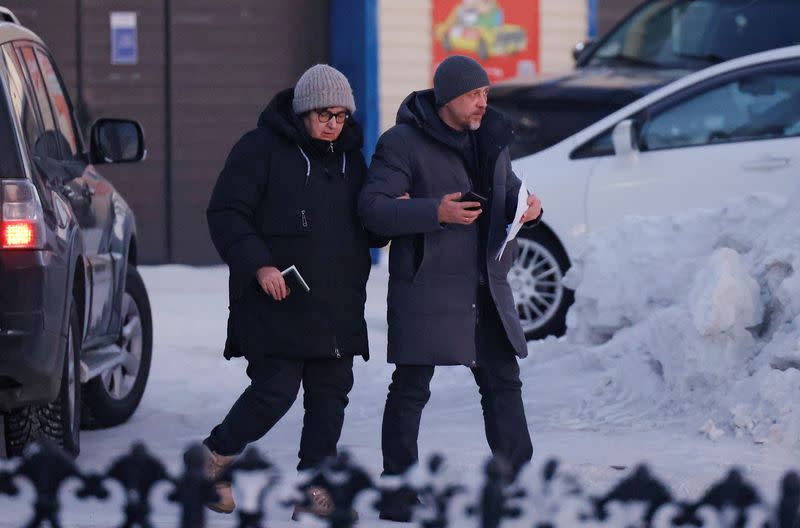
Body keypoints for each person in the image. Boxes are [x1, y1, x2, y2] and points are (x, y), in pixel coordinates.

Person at [359, 55, 542, 521]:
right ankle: (397, 492)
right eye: (474, 95)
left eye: (485, 93)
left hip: (485, 284)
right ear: (447, 98)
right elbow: (373, 209)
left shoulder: (492, 138)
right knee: (411, 387)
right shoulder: (401, 143)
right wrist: (433, 212)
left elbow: (510, 191)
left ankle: (515, 482)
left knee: (502, 382)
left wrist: (530, 208)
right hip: (429, 284)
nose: (484, 102)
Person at [203, 64, 383, 517]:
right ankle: (212, 460)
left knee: (330, 396)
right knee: (275, 391)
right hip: (276, 298)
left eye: (342, 116)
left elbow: (366, 227)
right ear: (304, 110)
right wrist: (259, 265)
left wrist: (389, 216)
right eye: (326, 114)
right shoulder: (259, 149)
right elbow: (226, 213)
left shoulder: (350, 159)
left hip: (336, 303)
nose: (334, 124)